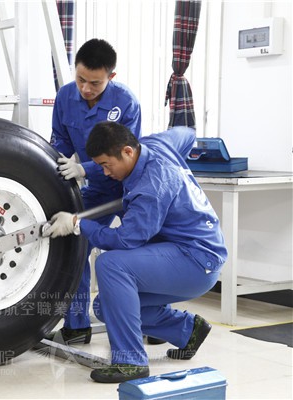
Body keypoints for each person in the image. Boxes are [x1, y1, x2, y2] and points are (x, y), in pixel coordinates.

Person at [43, 121, 227, 383]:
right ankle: (187, 329)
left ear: (128, 152)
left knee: (111, 264)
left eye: (106, 165)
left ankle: (131, 362)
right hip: (192, 252)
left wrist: (77, 224)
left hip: (196, 260)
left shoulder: (151, 188)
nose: (105, 173)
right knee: (105, 306)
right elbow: (187, 134)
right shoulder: (156, 145)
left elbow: (125, 240)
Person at [47, 38, 141, 344]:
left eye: (95, 83)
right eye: (81, 80)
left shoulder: (126, 102)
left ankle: (153, 320)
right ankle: (77, 325)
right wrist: (51, 169)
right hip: (96, 190)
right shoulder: (65, 96)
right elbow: (60, 142)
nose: (86, 88)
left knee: (142, 250)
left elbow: (126, 155)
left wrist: (84, 168)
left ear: (111, 76)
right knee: (76, 244)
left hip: (130, 188)